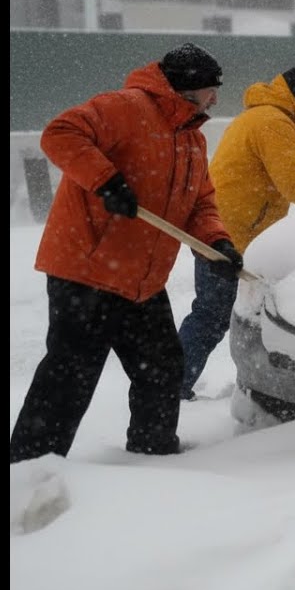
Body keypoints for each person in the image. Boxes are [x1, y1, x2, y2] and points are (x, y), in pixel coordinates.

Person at [10, 43, 243, 463]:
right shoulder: (123, 107)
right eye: (212, 89)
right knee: (71, 372)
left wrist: (217, 242)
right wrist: (105, 181)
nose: (216, 98)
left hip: (141, 279)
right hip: (87, 268)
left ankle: (152, 453)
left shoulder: (191, 139)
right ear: (188, 87)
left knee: (162, 367)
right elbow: (59, 133)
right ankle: (29, 469)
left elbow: (201, 202)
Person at [177, 67, 295, 399]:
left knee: (224, 313)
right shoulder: (274, 123)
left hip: (223, 228)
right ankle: (172, 386)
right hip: (230, 235)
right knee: (217, 314)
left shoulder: (260, 116)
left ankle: (176, 384)